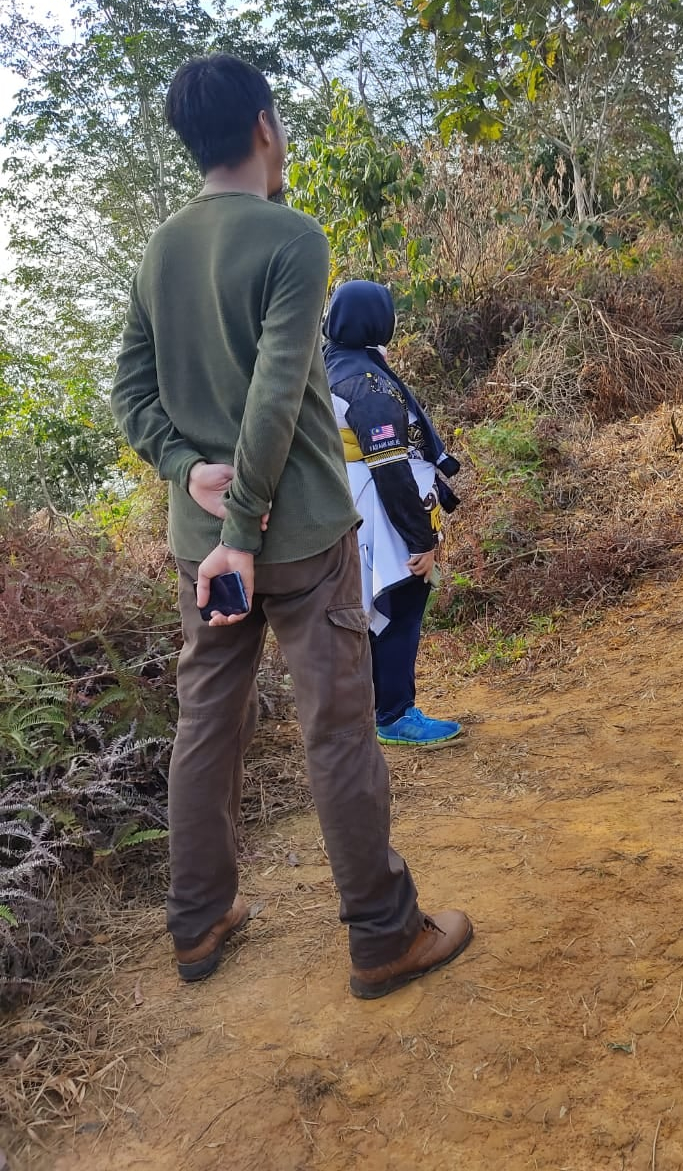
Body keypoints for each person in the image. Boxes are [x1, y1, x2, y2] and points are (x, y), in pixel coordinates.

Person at [110, 54, 472, 998]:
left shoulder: (160, 250)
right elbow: (276, 397)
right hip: (303, 538)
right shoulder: (293, 238)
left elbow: (131, 393)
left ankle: (197, 924)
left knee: (207, 728)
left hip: (206, 557)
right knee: (339, 728)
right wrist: (243, 521)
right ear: (266, 129)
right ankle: (384, 934)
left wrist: (188, 474)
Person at [323, 281, 463, 749]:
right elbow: (391, 470)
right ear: (377, 321)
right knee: (401, 601)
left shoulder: (327, 365)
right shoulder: (366, 384)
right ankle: (396, 713)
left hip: (346, 504)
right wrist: (422, 539)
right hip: (383, 512)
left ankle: (372, 710)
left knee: (368, 608)